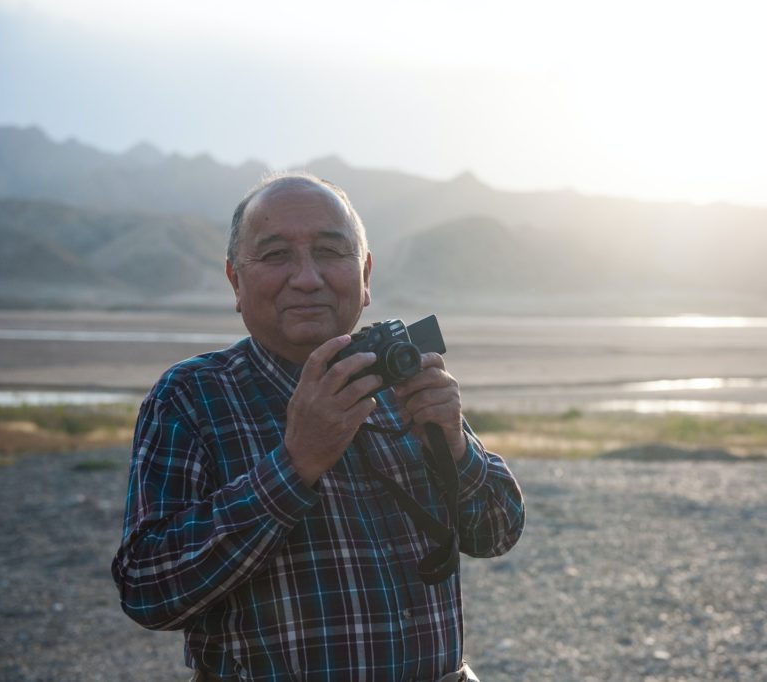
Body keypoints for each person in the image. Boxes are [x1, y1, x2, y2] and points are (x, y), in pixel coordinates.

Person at [112, 172, 526, 681]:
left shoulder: (401, 380)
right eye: (275, 255)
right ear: (235, 281)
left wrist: (457, 448)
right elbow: (148, 590)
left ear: (366, 274)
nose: (307, 278)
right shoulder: (193, 397)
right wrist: (294, 465)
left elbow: (498, 531)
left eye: (331, 252)